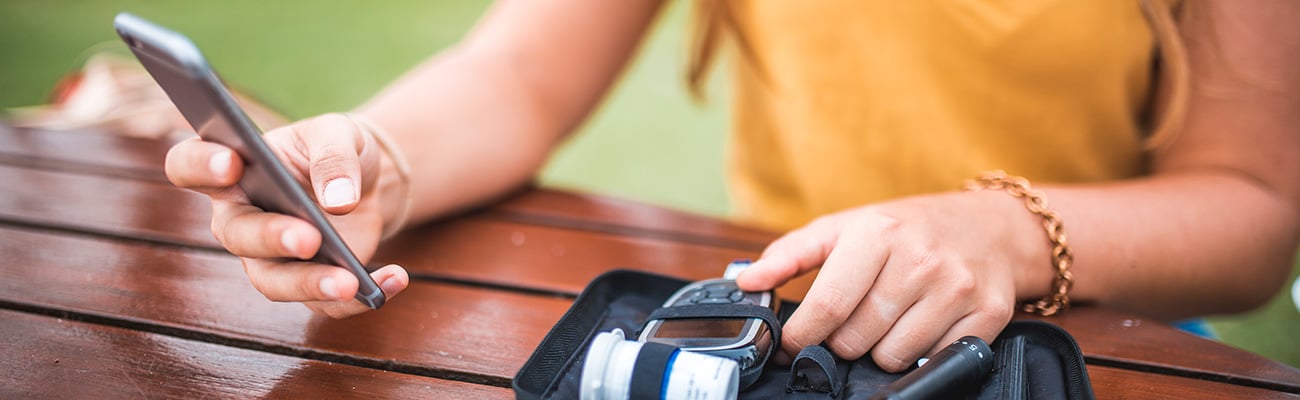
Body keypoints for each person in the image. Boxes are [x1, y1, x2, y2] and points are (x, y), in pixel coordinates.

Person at [163, 0, 1299, 372]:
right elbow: (519, 73)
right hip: (783, 333)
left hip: (1095, 337)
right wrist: (380, 163)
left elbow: (1253, 207)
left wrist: (998, 232)